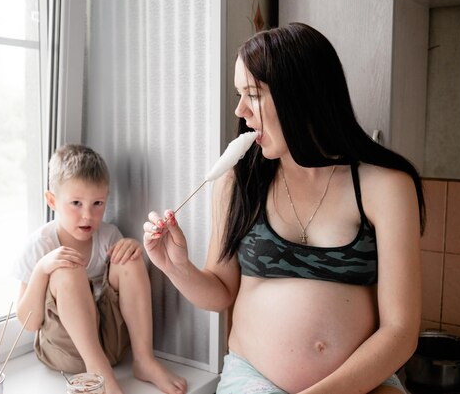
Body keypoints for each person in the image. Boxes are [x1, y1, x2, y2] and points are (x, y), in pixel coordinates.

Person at [143, 23, 425, 394]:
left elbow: (401, 331)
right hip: (253, 378)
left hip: (363, 383)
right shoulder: (238, 183)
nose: (240, 110)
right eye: (239, 94)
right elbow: (220, 293)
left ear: (301, 96)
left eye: (253, 94)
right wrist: (175, 267)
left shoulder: (386, 187)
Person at [13, 144, 187, 394]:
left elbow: (127, 282)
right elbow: (29, 324)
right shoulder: (39, 244)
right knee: (67, 268)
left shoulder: (107, 235)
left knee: (129, 255)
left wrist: (132, 248)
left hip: (109, 347)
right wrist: (42, 270)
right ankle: (99, 372)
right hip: (63, 350)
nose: (88, 215)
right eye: (76, 203)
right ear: (52, 200)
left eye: (97, 203)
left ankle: (144, 360)